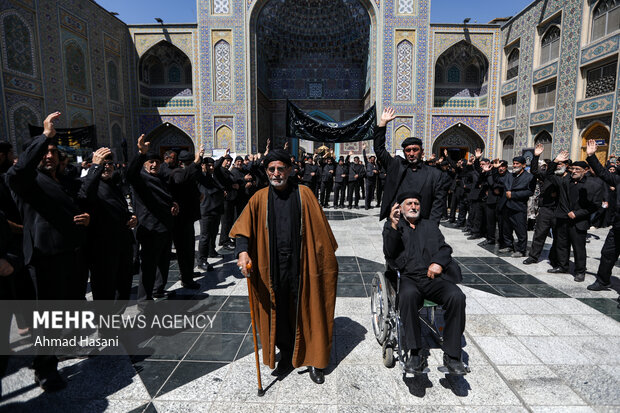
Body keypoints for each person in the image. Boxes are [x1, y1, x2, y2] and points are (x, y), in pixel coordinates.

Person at [231, 149, 338, 385]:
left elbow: (322, 235)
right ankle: (287, 355)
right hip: (272, 267)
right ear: (267, 171)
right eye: (272, 169)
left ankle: (314, 359)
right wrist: (242, 251)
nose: (276, 173)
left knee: (307, 310)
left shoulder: (305, 194)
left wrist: (322, 260)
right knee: (278, 312)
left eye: (281, 169)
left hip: (302, 265)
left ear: (290, 170)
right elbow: (242, 230)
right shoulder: (259, 198)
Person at [7, 112, 91, 391]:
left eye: (54, 152)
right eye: (44, 152)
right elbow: (18, 172)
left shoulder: (60, 181)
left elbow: (72, 207)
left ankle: (61, 351)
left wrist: (84, 219)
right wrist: (44, 137)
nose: (49, 155)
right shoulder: (26, 181)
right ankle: (44, 369)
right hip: (44, 259)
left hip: (69, 253)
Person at [382, 191, 467, 375]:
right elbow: (389, 252)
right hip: (408, 278)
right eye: (409, 204)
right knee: (408, 295)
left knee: (457, 296)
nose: (413, 207)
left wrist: (438, 263)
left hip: (432, 278)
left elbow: (445, 248)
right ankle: (415, 353)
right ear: (401, 208)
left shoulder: (430, 226)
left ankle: (452, 356)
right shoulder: (393, 226)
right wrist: (393, 225)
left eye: (416, 204)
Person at [79, 147, 137, 301]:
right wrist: (95, 167)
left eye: (110, 163)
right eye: (102, 164)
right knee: (105, 290)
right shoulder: (86, 184)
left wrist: (131, 217)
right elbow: (85, 197)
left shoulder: (112, 184)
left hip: (122, 244)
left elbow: (120, 208)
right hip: (102, 249)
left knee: (123, 288)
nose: (107, 167)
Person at [127, 134, 179, 302]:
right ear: (144, 164)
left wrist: (173, 203)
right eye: (151, 162)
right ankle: (144, 299)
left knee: (163, 263)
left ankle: (158, 290)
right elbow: (130, 174)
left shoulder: (160, 178)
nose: (154, 164)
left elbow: (164, 196)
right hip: (150, 228)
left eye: (157, 161)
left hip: (164, 227)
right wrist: (141, 153)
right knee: (148, 267)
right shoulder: (140, 179)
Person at [374, 107, 447, 223]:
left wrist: (431, 227)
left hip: (422, 223)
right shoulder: (396, 166)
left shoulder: (434, 174)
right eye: (408, 150)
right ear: (404, 153)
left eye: (415, 150)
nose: (411, 153)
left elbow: (437, 204)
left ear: (422, 152)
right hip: (397, 221)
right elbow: (379, 150)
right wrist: (383, 123)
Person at [546, 151, 601, 281]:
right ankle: (562, 266)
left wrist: (577, 213)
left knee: (578, 248)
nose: (574, 171)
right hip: (562, 218)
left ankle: (580, 271)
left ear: (585, 170)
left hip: (579, 221)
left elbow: (595, 205)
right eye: (573, 169)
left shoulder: (592, 185)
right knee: (561, 244)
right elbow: (549, 175)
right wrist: (555, 161)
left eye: (578, 169)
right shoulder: (565, 180)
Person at [586, 139, 619, 290]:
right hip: (618, 226)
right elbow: (603, 173)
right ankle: (603, 281)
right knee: (607, 253)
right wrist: (592, 156)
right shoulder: (618, 179)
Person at [523, 144, 562, 265]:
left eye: (562, 164)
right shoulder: (548, 176)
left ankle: (554, 258)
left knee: (558, 236)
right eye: (558, 163)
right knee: (539, 234)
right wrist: (536, 156)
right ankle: (533, 256)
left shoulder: (569, 179)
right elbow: (534, 171)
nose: (559, 166)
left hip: (560, 210)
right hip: (546, 209)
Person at [496, 156, 536, 257]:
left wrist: (513, 195)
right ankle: (509, 245)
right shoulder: (511, 175)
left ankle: (521, 250)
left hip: (518, 206)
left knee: (520, 229)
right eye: (514, 163)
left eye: (517, 164)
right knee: (506, 227)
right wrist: (494, 169)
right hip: (507, 205)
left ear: (523, 165)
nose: (514, 165)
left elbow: (530, 191)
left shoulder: (529, 177)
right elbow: (499, 180)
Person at [197, 157, 225, 267]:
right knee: (205, 236)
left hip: (216, 209)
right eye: (208, 165)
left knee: (213, 233)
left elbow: (217, 166)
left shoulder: (212, 176)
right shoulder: (200, 176)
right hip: (206, 210)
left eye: (212, 165)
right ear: (203, 165)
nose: (211, 167)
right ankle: (201, 260)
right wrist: (199, 158)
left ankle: (211, 251)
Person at [362, 143, 378, 210]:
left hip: (373, 180)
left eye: (373, 159)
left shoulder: (375, 165)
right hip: (368, 180)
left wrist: (376, 172)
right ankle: (366, 206)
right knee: (367, 193)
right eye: (371, 159)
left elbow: (378, 170)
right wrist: (363, 149)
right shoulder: (368, 164)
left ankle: (369, 205)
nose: (372, 160)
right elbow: (364, 157)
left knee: (371, 194)